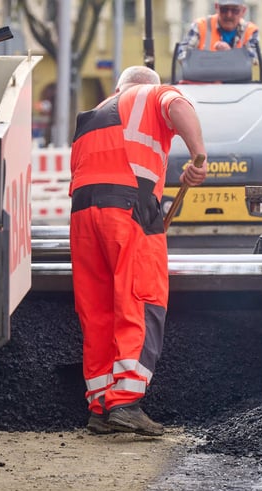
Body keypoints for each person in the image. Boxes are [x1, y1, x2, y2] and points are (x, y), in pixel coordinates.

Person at [69, 66, 207, 436]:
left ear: (118, 88)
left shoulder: (91, 116)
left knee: (98, 308)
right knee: (141, 297)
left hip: (83, 214)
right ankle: (126, 403)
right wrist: (199, 155)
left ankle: (100, 406)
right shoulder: (150, 93)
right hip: (129, 207)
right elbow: (178, 105)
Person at [177, 0, 260, 63]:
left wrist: (229, 54)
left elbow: (253, 60)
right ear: (217, 7)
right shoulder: (200, 26)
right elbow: (182, 55)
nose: (229, 15)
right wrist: (210, 58)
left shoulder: (250, 30)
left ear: (243, 11)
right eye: (224, 9)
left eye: (235, 11)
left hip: (236, 80)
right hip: (203, 79)